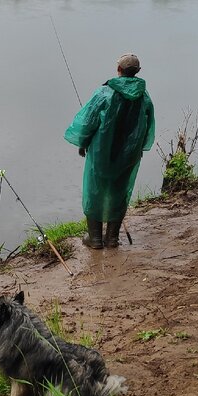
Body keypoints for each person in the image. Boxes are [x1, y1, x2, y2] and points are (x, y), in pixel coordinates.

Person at [64, 53, 155, 249]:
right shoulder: (144, 96)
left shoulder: (104, 93)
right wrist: (139, 148)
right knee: (119, 191)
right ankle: (112, 238)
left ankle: (95, 239)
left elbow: (87, 122)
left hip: (100, 152)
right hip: (129, 154)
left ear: (119, 70)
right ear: (138, 72)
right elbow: (148, 126)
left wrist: (82, 142)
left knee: (94, 190)